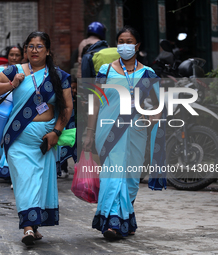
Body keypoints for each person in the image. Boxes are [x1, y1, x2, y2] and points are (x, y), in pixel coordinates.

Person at [0, 31, 73, 245]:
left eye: (39, 46)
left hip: (45, 140)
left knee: (40, 183)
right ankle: (27, 227)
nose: (34, 50)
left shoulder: (59, 76)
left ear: (48, 50)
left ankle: (33, 225)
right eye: (30, 46)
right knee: (24, 182)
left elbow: (68, 106)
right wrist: (11, 84)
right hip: (18, 139)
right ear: (26, 50)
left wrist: (57, 132)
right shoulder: (14, 71)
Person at [83, 26, 166, 240]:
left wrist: (151, 116)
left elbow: (157, 107)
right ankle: (112, 222)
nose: (124, 45)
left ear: (137, 46)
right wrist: (90, 132)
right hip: (108, 131)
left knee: (129, 179)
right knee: (113, 176)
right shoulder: (105, 71)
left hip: (136, 131)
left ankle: (125, 219)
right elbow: (95, 103)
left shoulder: (148, 74)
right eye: (121, 41)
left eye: (129, 41)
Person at [0, 45, 23, 181]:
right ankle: (2, 163)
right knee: (0, 138)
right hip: (2, 108)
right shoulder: (1, 71)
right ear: (8, 56)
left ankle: (10, 170)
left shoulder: (25, 71)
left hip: (17, 109)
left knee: (14, 138)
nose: (14, 58)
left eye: (17, 55)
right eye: (12, 54)